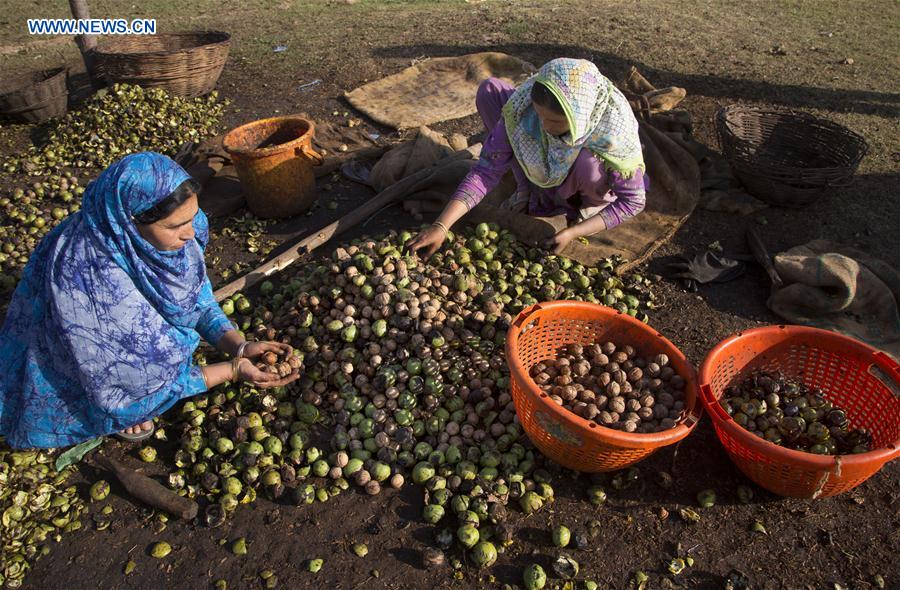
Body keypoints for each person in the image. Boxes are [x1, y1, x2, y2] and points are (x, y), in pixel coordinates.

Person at [0, 152, 297, 449]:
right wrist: (231, 370)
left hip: (124, 332)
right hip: (84, 361)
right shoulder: (94, 283)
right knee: (128, 391)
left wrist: (238, 345)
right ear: (129, 224)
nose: (190, 233)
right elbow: (126, 376)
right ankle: (120, 411)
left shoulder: (170, 235)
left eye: (192, 218)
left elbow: (195, 297)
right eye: (174, 226)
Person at [407, 57, 648, 257]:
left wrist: (573, 233)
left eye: (554, 122)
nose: (544, 126)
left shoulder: (612, 134)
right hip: (545, 163)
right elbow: (485, 171)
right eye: (540, 115)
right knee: (491, 90)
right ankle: (527, 182)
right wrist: (441, 225)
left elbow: (633, 202)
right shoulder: (523, 108)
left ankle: (587, 206)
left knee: (590, 167)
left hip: (584, 180)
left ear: (579, 120)